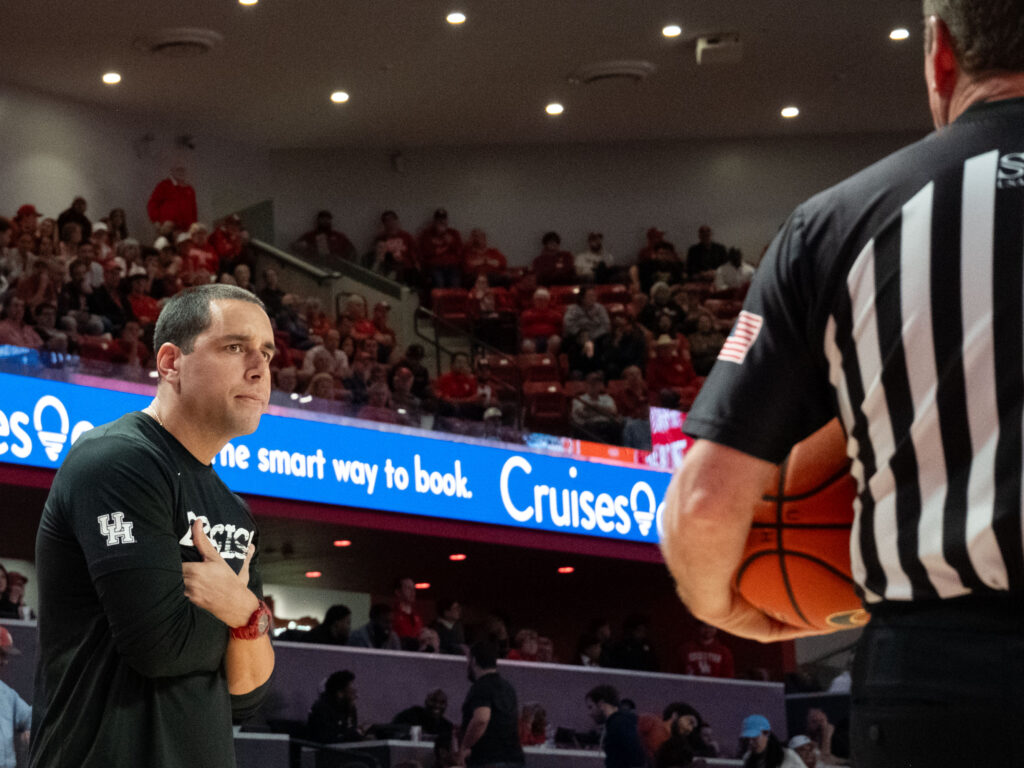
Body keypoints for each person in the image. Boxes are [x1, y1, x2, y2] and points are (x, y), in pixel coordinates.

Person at [660, 3, 1024, 766]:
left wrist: (723, 603)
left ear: (942, 54)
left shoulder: (836, 223)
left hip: (940, 673)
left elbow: (704, 500)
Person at [30, 284, 276, 768]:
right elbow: (158, 647)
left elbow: (246, 697)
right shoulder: (117, 462)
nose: (259, 368)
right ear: (169, 363)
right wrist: (244, 624)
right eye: (234, 347)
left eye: (266, 353)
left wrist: (245, 614)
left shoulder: (234, 510)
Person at [458, 641, 524, 768]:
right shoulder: (508, 688)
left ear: (473, 661)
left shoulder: (481, 687)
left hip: (487, 759)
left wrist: (465, 746)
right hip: (514, 758)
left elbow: (481, 719)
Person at [585, 685, 645, 768]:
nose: (589, 713)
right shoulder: (628, 720)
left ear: (601, 704)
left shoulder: (617, 725)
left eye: (590, 707)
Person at [0, 626, 31, 768]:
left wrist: (31, 729)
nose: (5, 661)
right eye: (2, 654)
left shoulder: (6, 693)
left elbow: (29, 717)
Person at [308, 670, 362, 743]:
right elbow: (327, 740)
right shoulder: (321, 709)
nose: (355, 695)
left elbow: (350, 731)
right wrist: (355, 735)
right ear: (340, 693)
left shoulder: (348, 707)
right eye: (351, 690)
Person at [147, 165, 199, 235]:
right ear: (172, 172)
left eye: (183, 170)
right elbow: (152, 204)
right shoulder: (164, 185)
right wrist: (157, 221)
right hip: (168, 228)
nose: (181, 172)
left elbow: (193, 210)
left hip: (186, 229)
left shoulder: (189, 189)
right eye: (178, 170)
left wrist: (194, 226)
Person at [280, 604, 351, 645]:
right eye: (347, 622)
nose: (349, 627)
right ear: (337, 622)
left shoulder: (342, 641)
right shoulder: (315, 640)